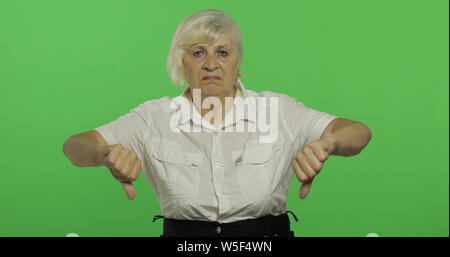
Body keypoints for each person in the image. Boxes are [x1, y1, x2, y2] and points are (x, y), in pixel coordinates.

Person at [62, 9, 372, 237]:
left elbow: (358, 133)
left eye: (222, 52)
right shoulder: (152, 117)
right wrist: (105, 154)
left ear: (239, 61)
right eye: (198, 52)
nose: (211, 64)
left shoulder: (277, 110)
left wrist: (328, 143)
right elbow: (75, 146)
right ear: (181, 61)